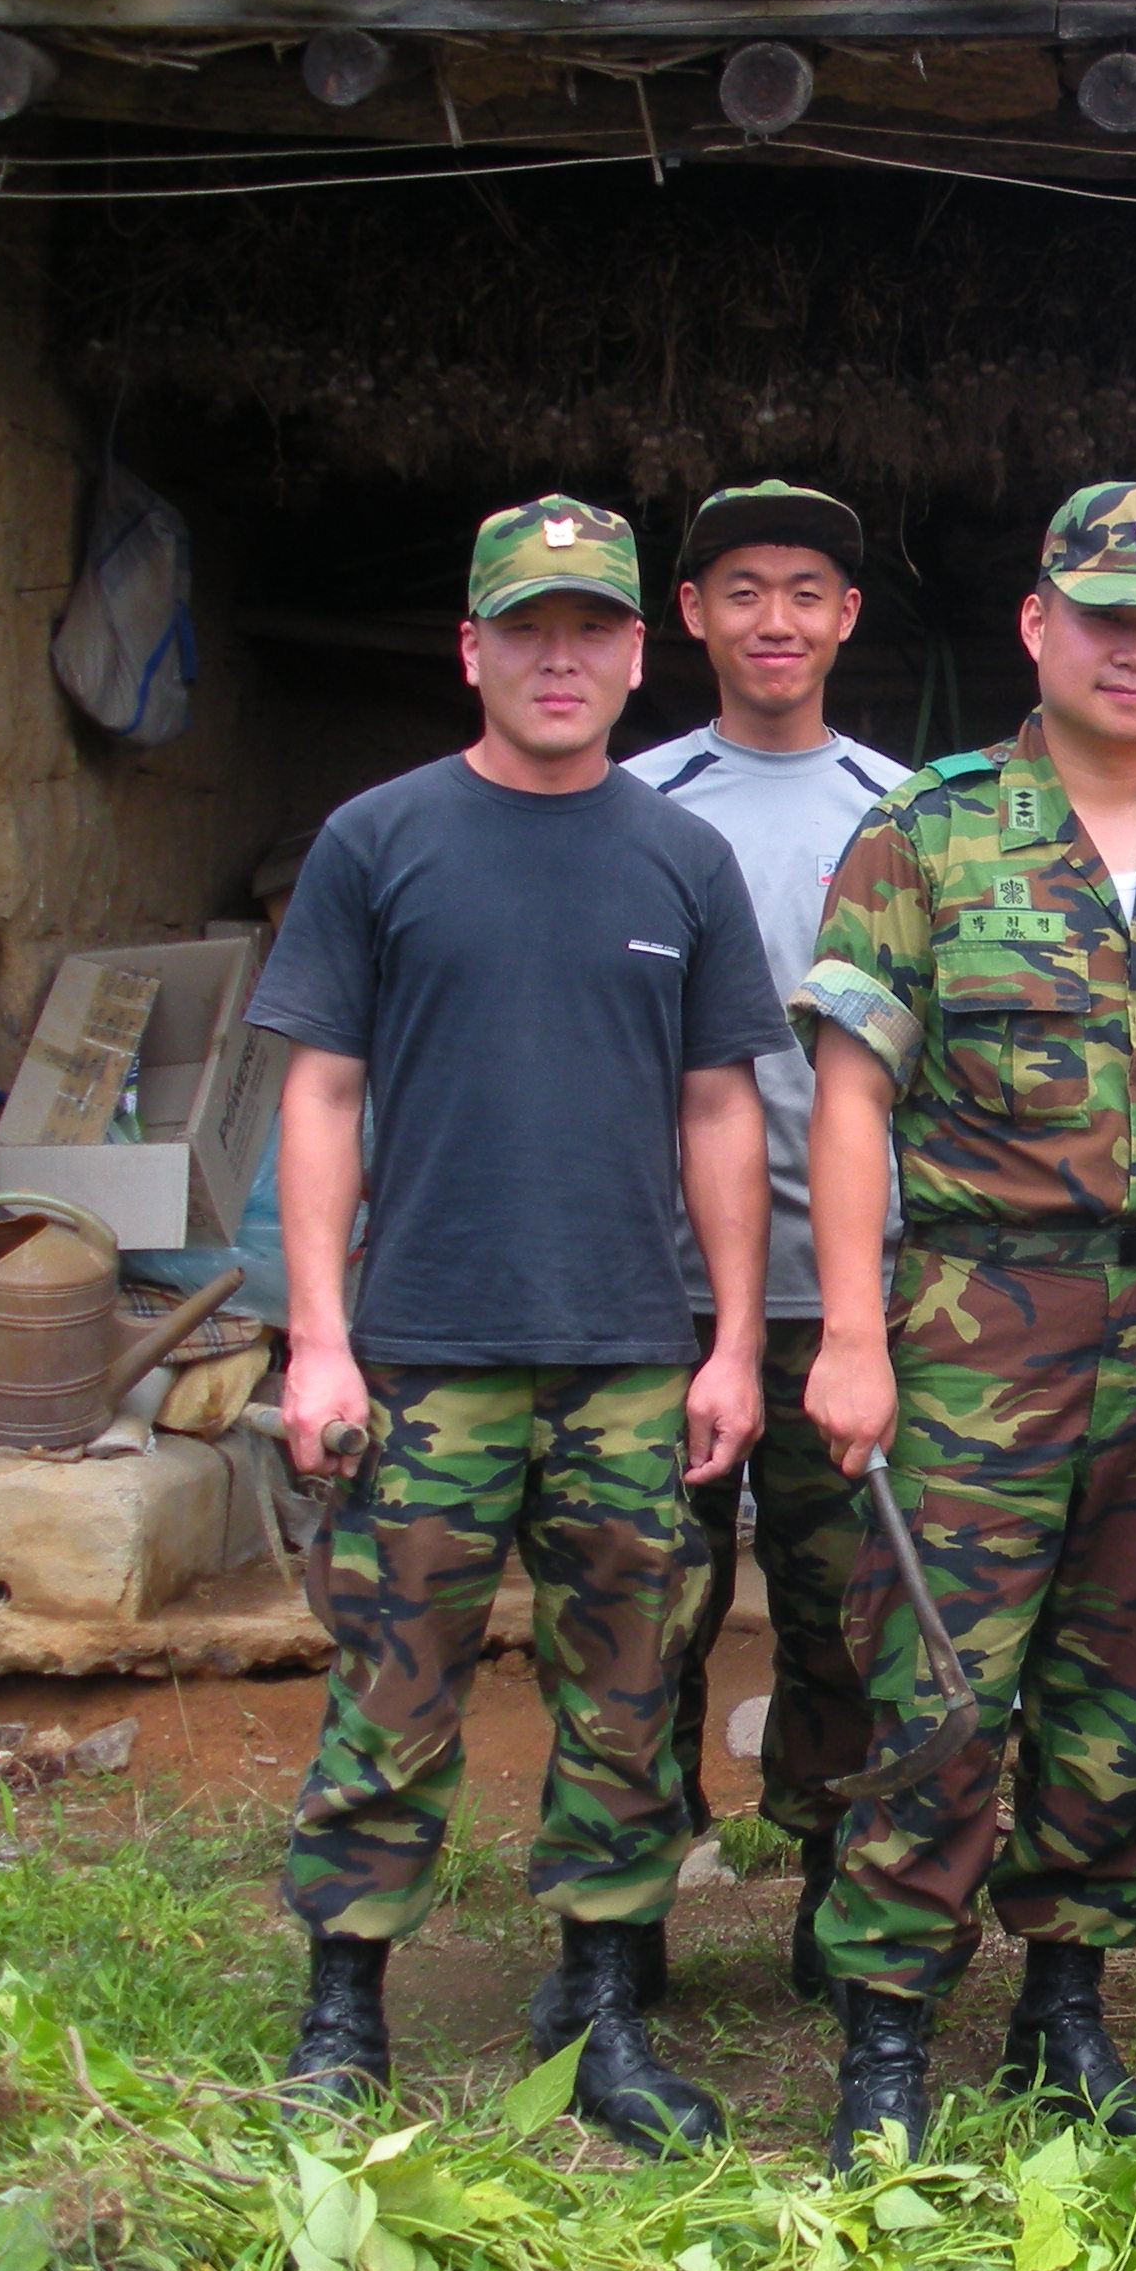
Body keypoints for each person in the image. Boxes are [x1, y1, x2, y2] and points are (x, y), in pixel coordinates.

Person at [792, 482, 1136, 2171]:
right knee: (942, 1692)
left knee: (1114, 1694)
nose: (1134, 649)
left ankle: (1064, 2004)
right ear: (1037, 625)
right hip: (971, 1326)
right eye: (1105, 617)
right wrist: (854, 1331)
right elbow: (848, 1092)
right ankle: (887, 2029)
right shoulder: (928, 833)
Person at [262, 497, 784, 2156]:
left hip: (629, 1351)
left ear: (639, 653)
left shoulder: (679, 857)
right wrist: (317, 1334)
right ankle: (347, 2004)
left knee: (626, 1690)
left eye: (591, 632)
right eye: (525, 630)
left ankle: (602, 2004)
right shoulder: (378, 839)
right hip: (421, 1345)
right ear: (470, 649)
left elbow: (721, 1112)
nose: (559, 661)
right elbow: (322, 1090)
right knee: (393, 1682)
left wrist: (733, 1343)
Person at [625, 481, 910, 2005]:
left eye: (808, 590)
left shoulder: (904, 806)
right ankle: (634, 1900)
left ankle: (823, 1881)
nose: (777, 620)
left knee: (837, 1612)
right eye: (744, 590)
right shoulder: (633, 802)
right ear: (692, 616)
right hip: (655, 1291)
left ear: (847, 618)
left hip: (839, 1290)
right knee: (648, 1601)